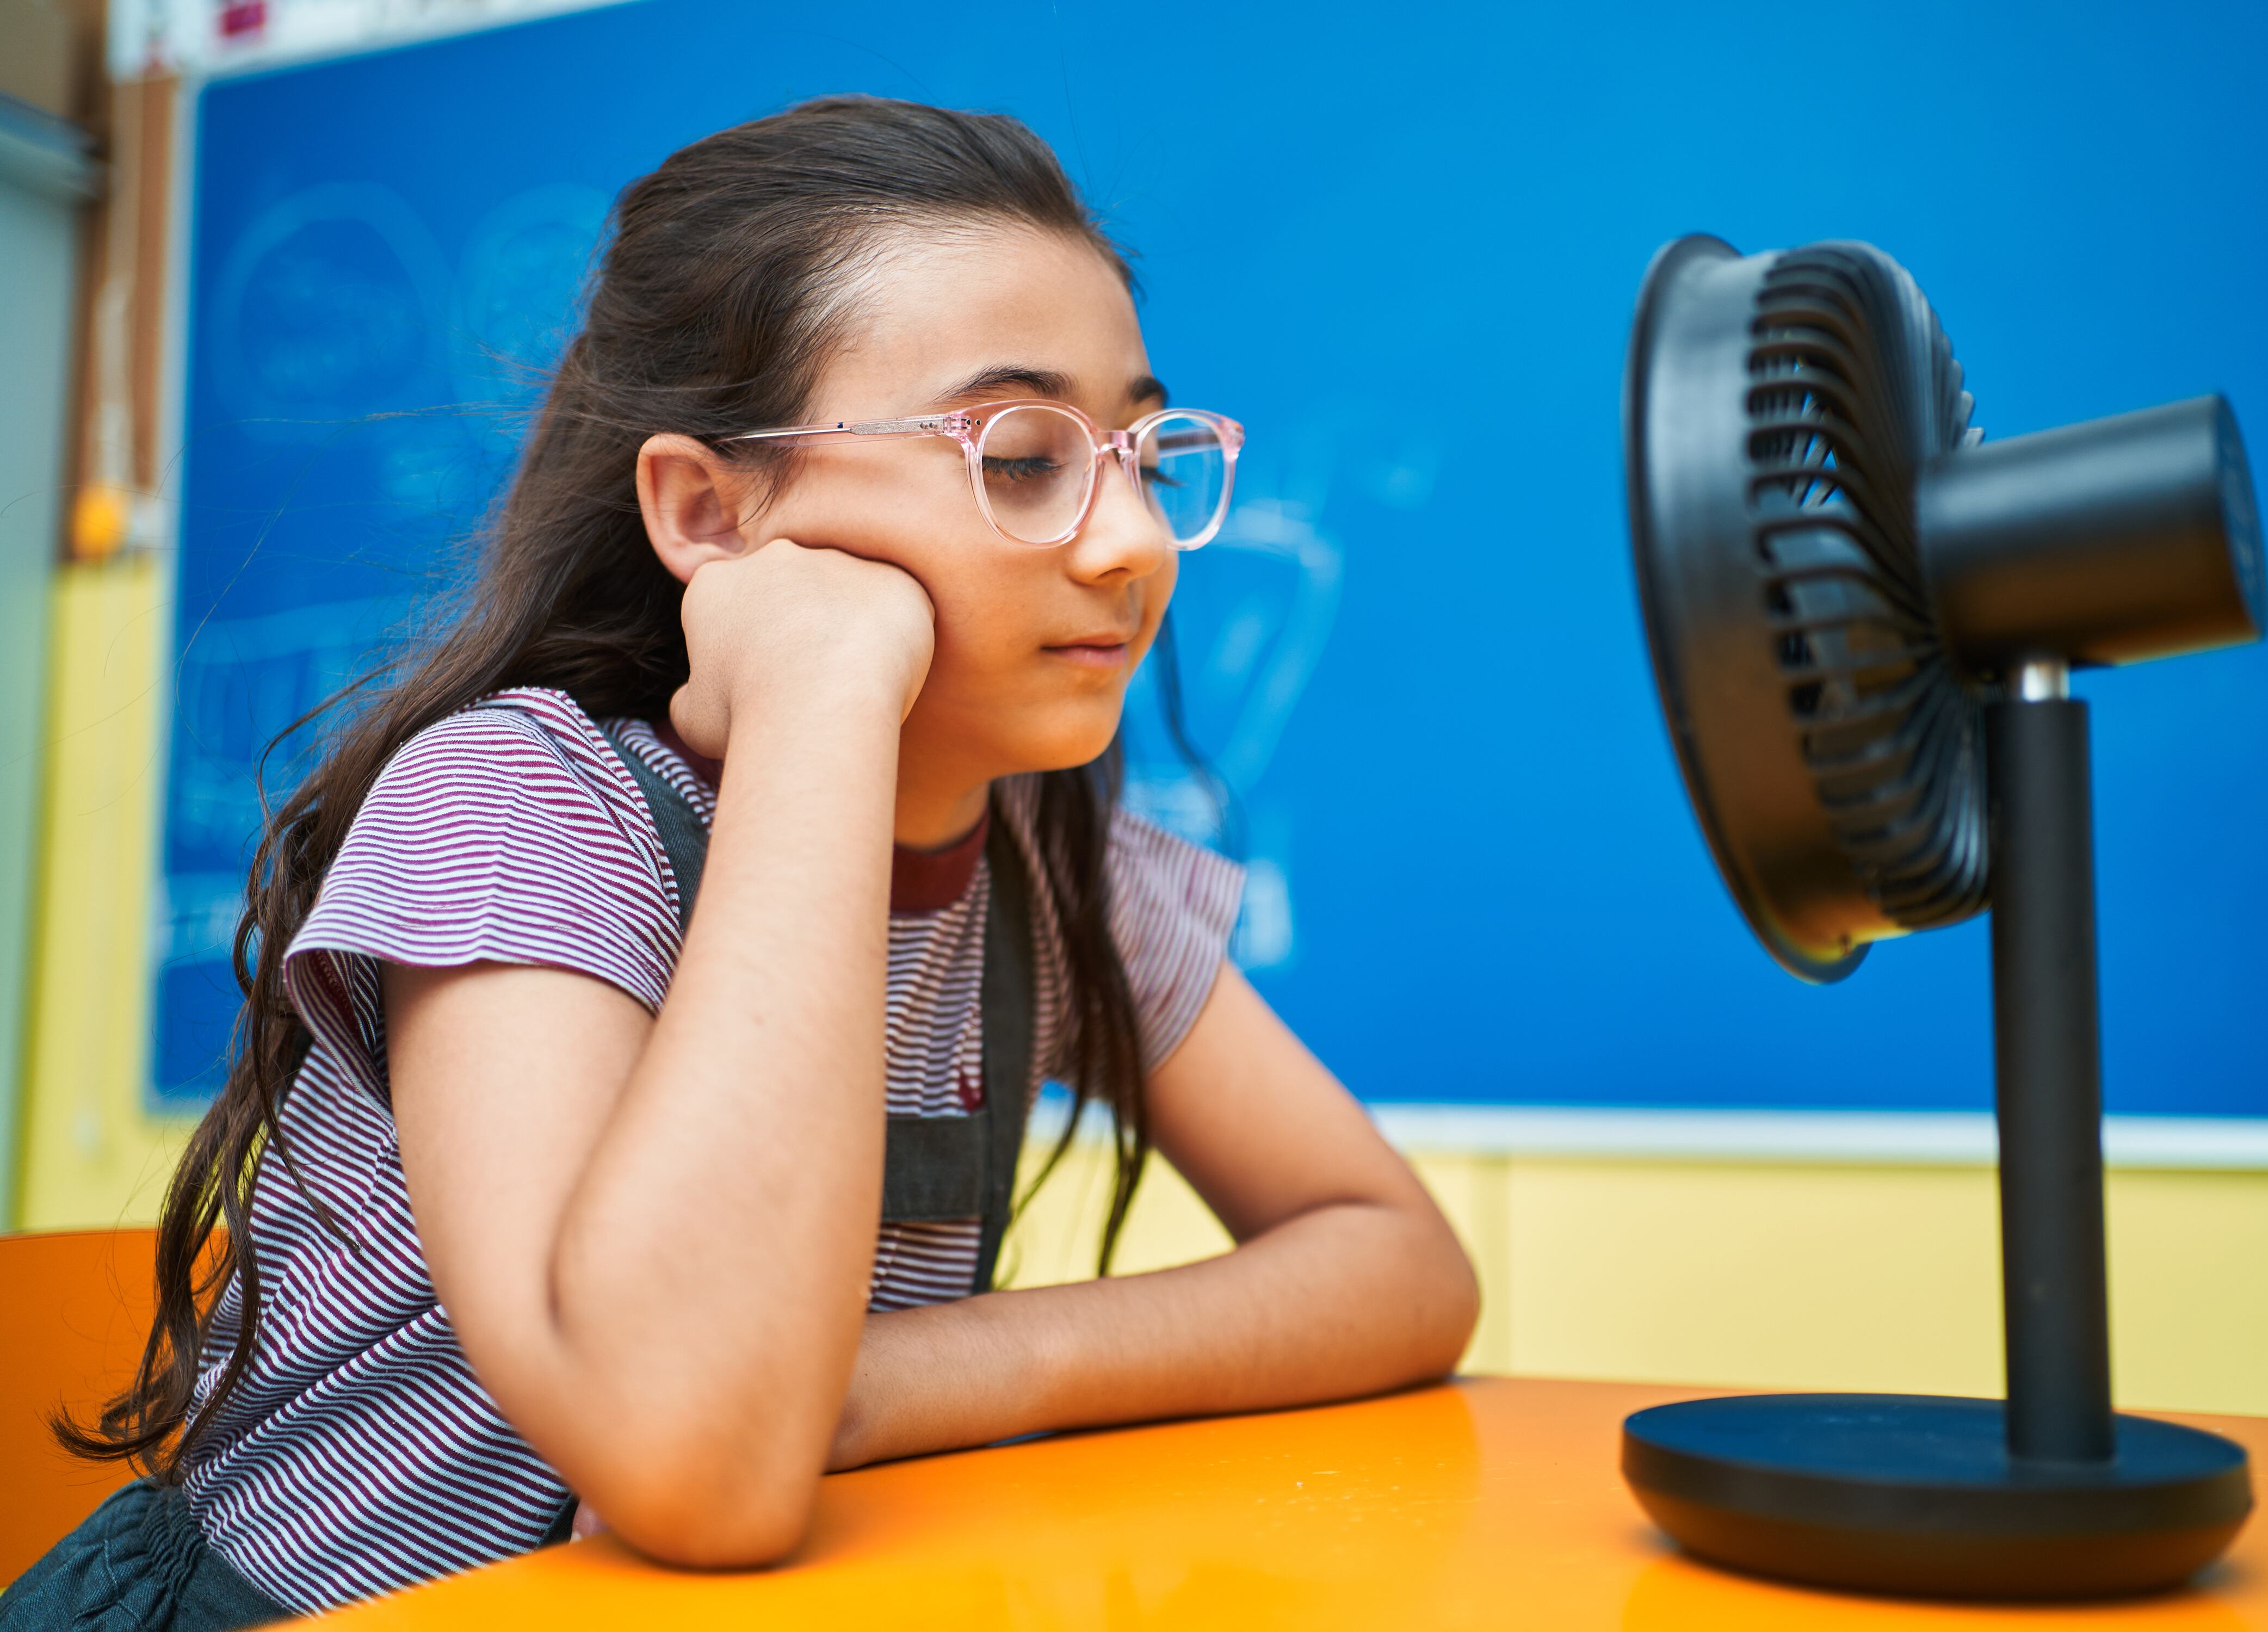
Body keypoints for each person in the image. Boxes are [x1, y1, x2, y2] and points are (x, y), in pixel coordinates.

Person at [1, 95, 1476, 1629]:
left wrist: (887, 1382)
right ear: (709, 511)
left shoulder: (1057, 868)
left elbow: (1397, 1265)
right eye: (1023, 454)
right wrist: (823, 700)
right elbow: (693, 1456)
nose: (1135, 543)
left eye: (1143, 452)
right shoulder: (525, 800)